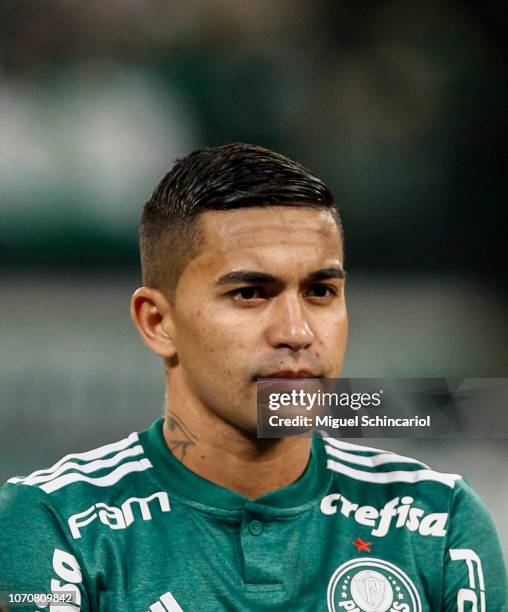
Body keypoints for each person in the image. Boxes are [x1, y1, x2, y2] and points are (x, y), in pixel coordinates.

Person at [0, 143, 506, 611]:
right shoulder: (54, 522)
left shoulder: (439, 522)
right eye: (250, 293)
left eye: (321, 291)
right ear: (159, 323)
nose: (297, 332)